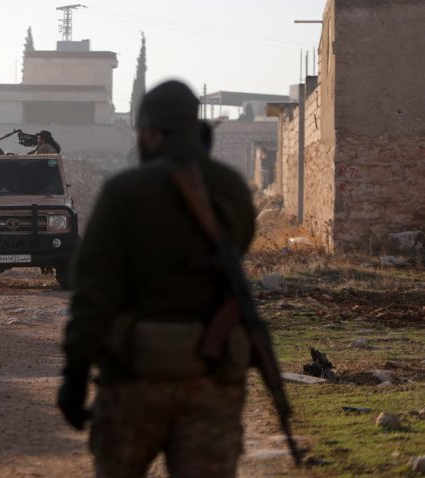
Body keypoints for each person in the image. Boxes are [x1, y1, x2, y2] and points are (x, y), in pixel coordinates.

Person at [57, 80, 256, 478]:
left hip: (135, 379)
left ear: (149, 132)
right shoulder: (231, 187)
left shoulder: (124, 191)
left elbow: (94, 293)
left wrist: (75, 374)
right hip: (211, 376)